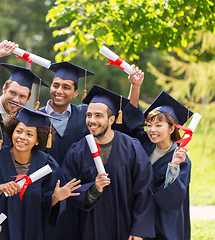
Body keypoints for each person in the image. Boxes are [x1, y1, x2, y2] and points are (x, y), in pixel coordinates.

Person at [0, 102, 81, 240]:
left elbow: (47, 207)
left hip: (32, 232)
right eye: (19, 131)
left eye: (29, 134)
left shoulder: (47, 164)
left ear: (37, 140)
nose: (22, 137)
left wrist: (56, 198)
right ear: (12, 132)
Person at [62, 84, 155, 240]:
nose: (92, 120)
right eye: (89, 115)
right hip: (89, 228)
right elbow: (69, 190)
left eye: (98, 116)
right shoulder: (76, 151)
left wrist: (139, 229)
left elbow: (144, 189)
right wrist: (93, 189)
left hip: (124, 227)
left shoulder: (131, 147)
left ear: (111, 119)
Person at [123, 71, 192, 240]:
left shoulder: (181, 159)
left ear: (171, 128)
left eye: (158, 125)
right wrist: (135, 86)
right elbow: (130, 123)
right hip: (139, 215)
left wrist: (174, 165)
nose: (152, 130)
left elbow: (174, 198)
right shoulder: (143, 142)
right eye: (149, 124)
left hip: (164, 222)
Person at [40, 61, 95, 166]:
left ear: (75, 93)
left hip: (78, 180)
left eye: (66, 87)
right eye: (56, 86)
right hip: (44, 180)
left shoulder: (86, 115)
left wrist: (135, 85)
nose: (59, 91)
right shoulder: (35, 117)